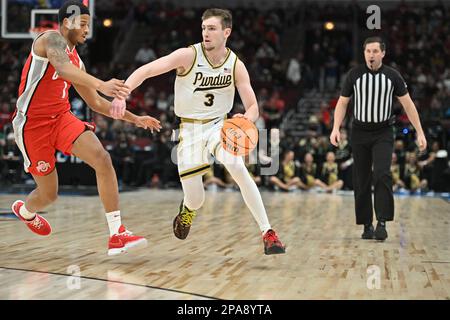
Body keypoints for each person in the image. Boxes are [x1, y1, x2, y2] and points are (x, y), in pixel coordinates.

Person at [111, 8, 285, 255]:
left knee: (236, 166)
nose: (206, 33)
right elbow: (147, 70)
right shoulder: (188, 55)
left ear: (227, 32)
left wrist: (247, 118)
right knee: (197, 199)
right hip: (189, 130)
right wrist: (123, 93)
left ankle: (268, 232)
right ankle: (187, 210)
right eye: (204, 28)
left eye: (212, 28)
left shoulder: (236, 65)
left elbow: (254, 106)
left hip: (219, 126)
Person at [11, 1, 161, 256]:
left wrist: (135, 118)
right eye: (82, 24)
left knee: (102, 159)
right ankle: (25, 211)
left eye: (87, 26)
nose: (85, 31)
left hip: (60, 118)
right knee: (48, 195)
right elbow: (62, 67)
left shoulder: (77, 61)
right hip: (31, 125)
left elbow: (96, 103)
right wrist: (102, 83)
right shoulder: (50, 39)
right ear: (67, 21)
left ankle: (117, 233)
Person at [330, 36, 427, 241]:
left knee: (382, 174)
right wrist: (335, 127)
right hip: (359, 131)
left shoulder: (393, 76)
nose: (371, 55)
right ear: (364, 53)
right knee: (362, 177)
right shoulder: (354, 74)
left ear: (383, 53)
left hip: (383, 132)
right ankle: (366, 224)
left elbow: (408, 105)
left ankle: (382, 221)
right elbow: (342, 103)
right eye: (368, 51)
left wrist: (419, 131)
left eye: (375, 51)